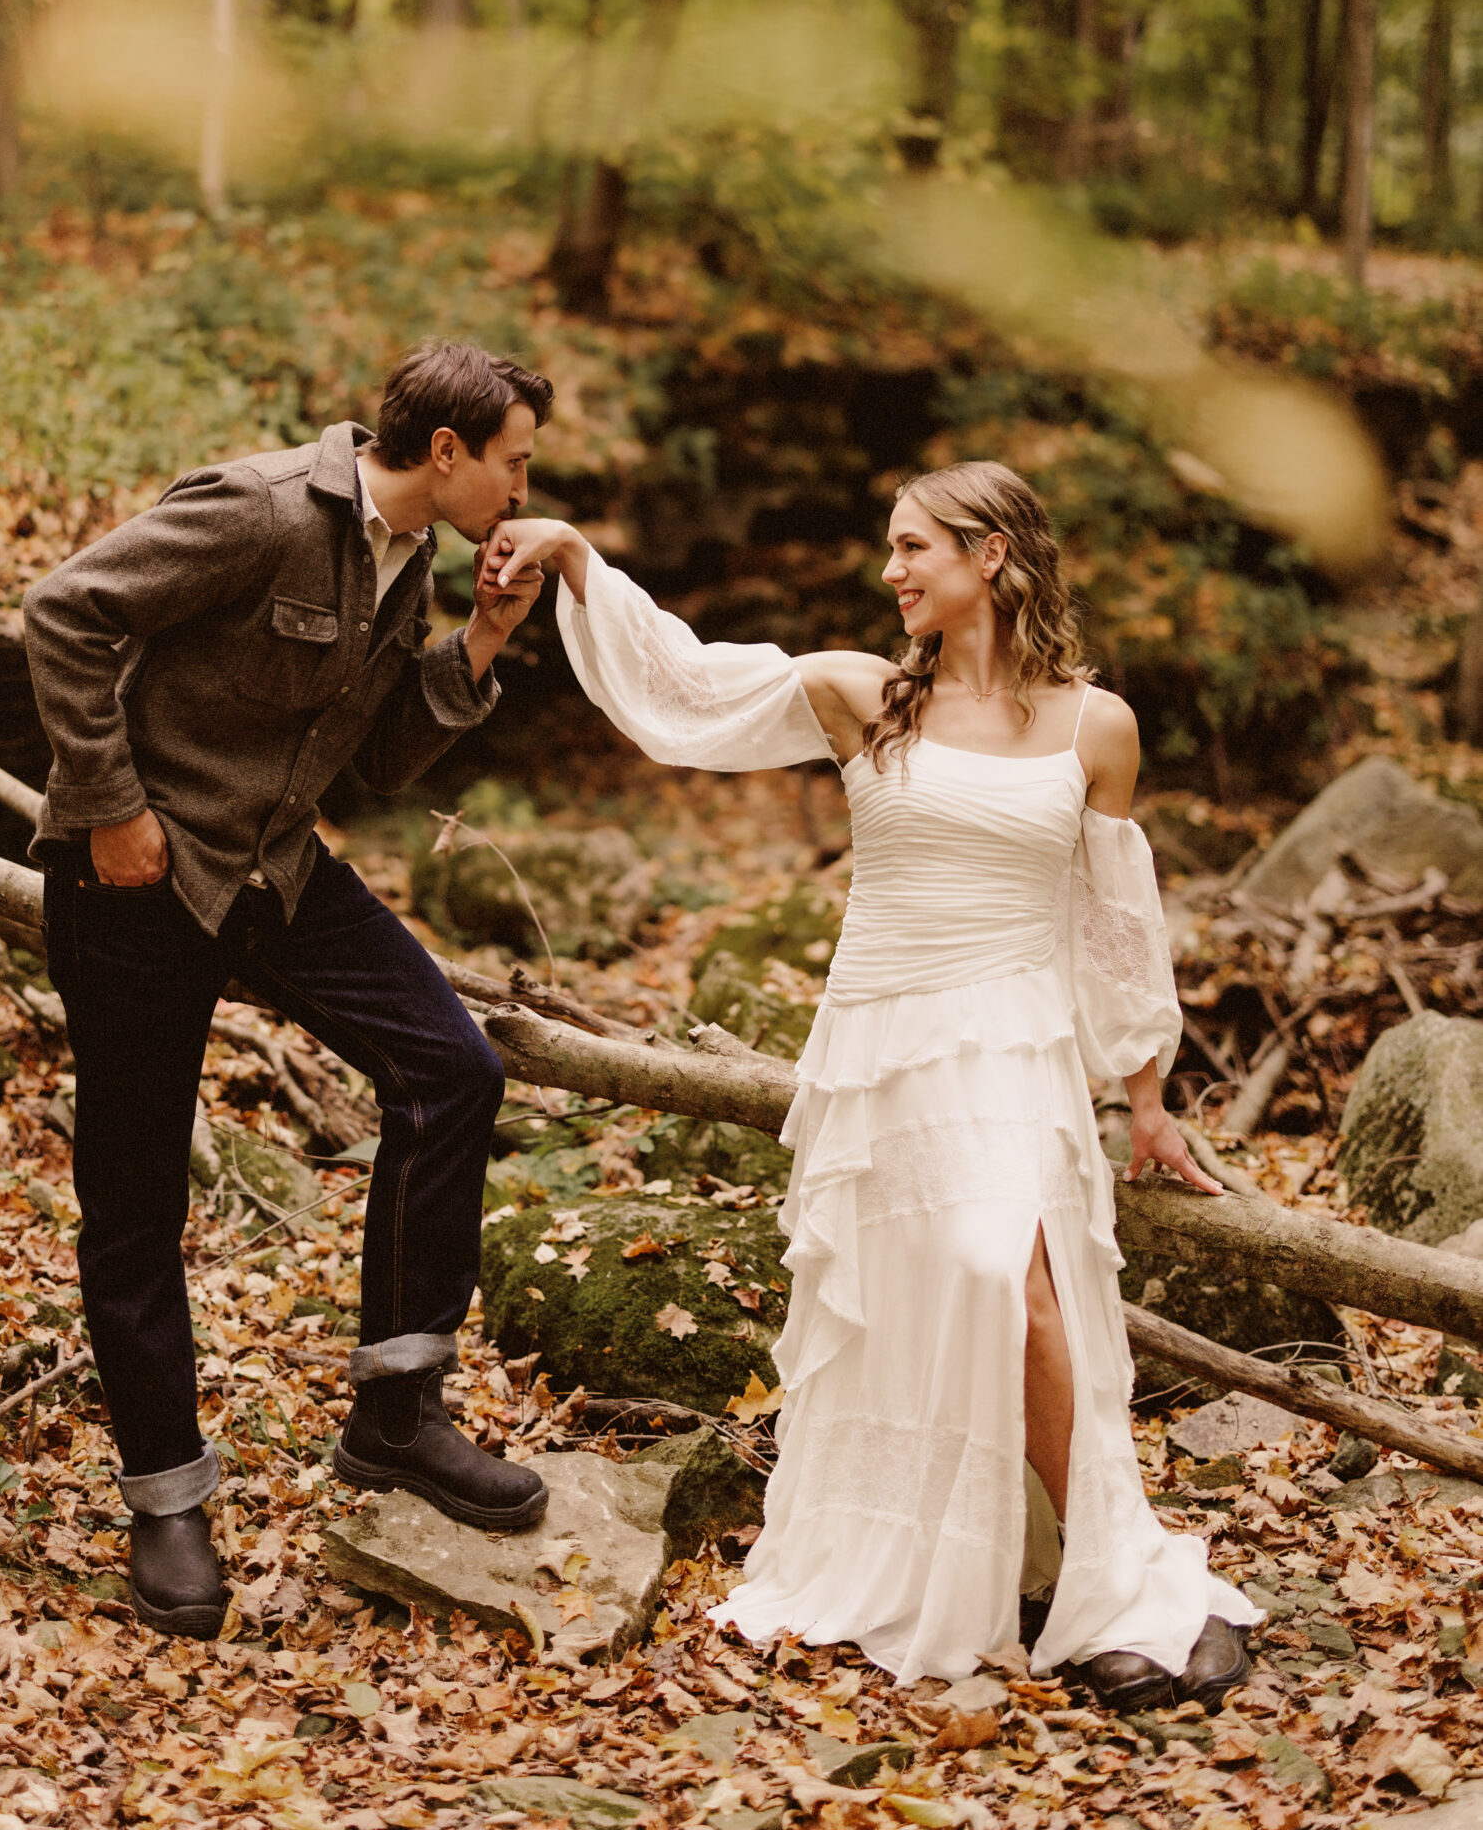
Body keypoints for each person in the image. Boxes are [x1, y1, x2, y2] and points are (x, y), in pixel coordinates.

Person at [486, 462, 1258, 1712]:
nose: (891, 571)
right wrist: (578, 557)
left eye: (913, 547)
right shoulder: (861, 695)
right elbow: (682, 691)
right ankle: (977, 1555)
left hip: (1014, 1039)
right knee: (947, 1289)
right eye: (889, 550)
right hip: (882, 1039)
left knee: (1005, 1283)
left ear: (991, 554)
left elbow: (1117, 922)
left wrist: (1149, 1096)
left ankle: (1111, 1581)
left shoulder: (1092, 724)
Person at [24, 342, 555, 1640]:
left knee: (453, 1067)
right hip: (140, 882)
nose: (528, 483)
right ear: (448, 453)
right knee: (137, 1203)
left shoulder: (409, 559)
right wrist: (112, 811)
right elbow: (65, 614)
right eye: (518, 459)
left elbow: (371, 763)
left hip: (274, 871)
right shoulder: (259, 510)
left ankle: (396, 1408)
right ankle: (168, 1505)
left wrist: (479, 640)